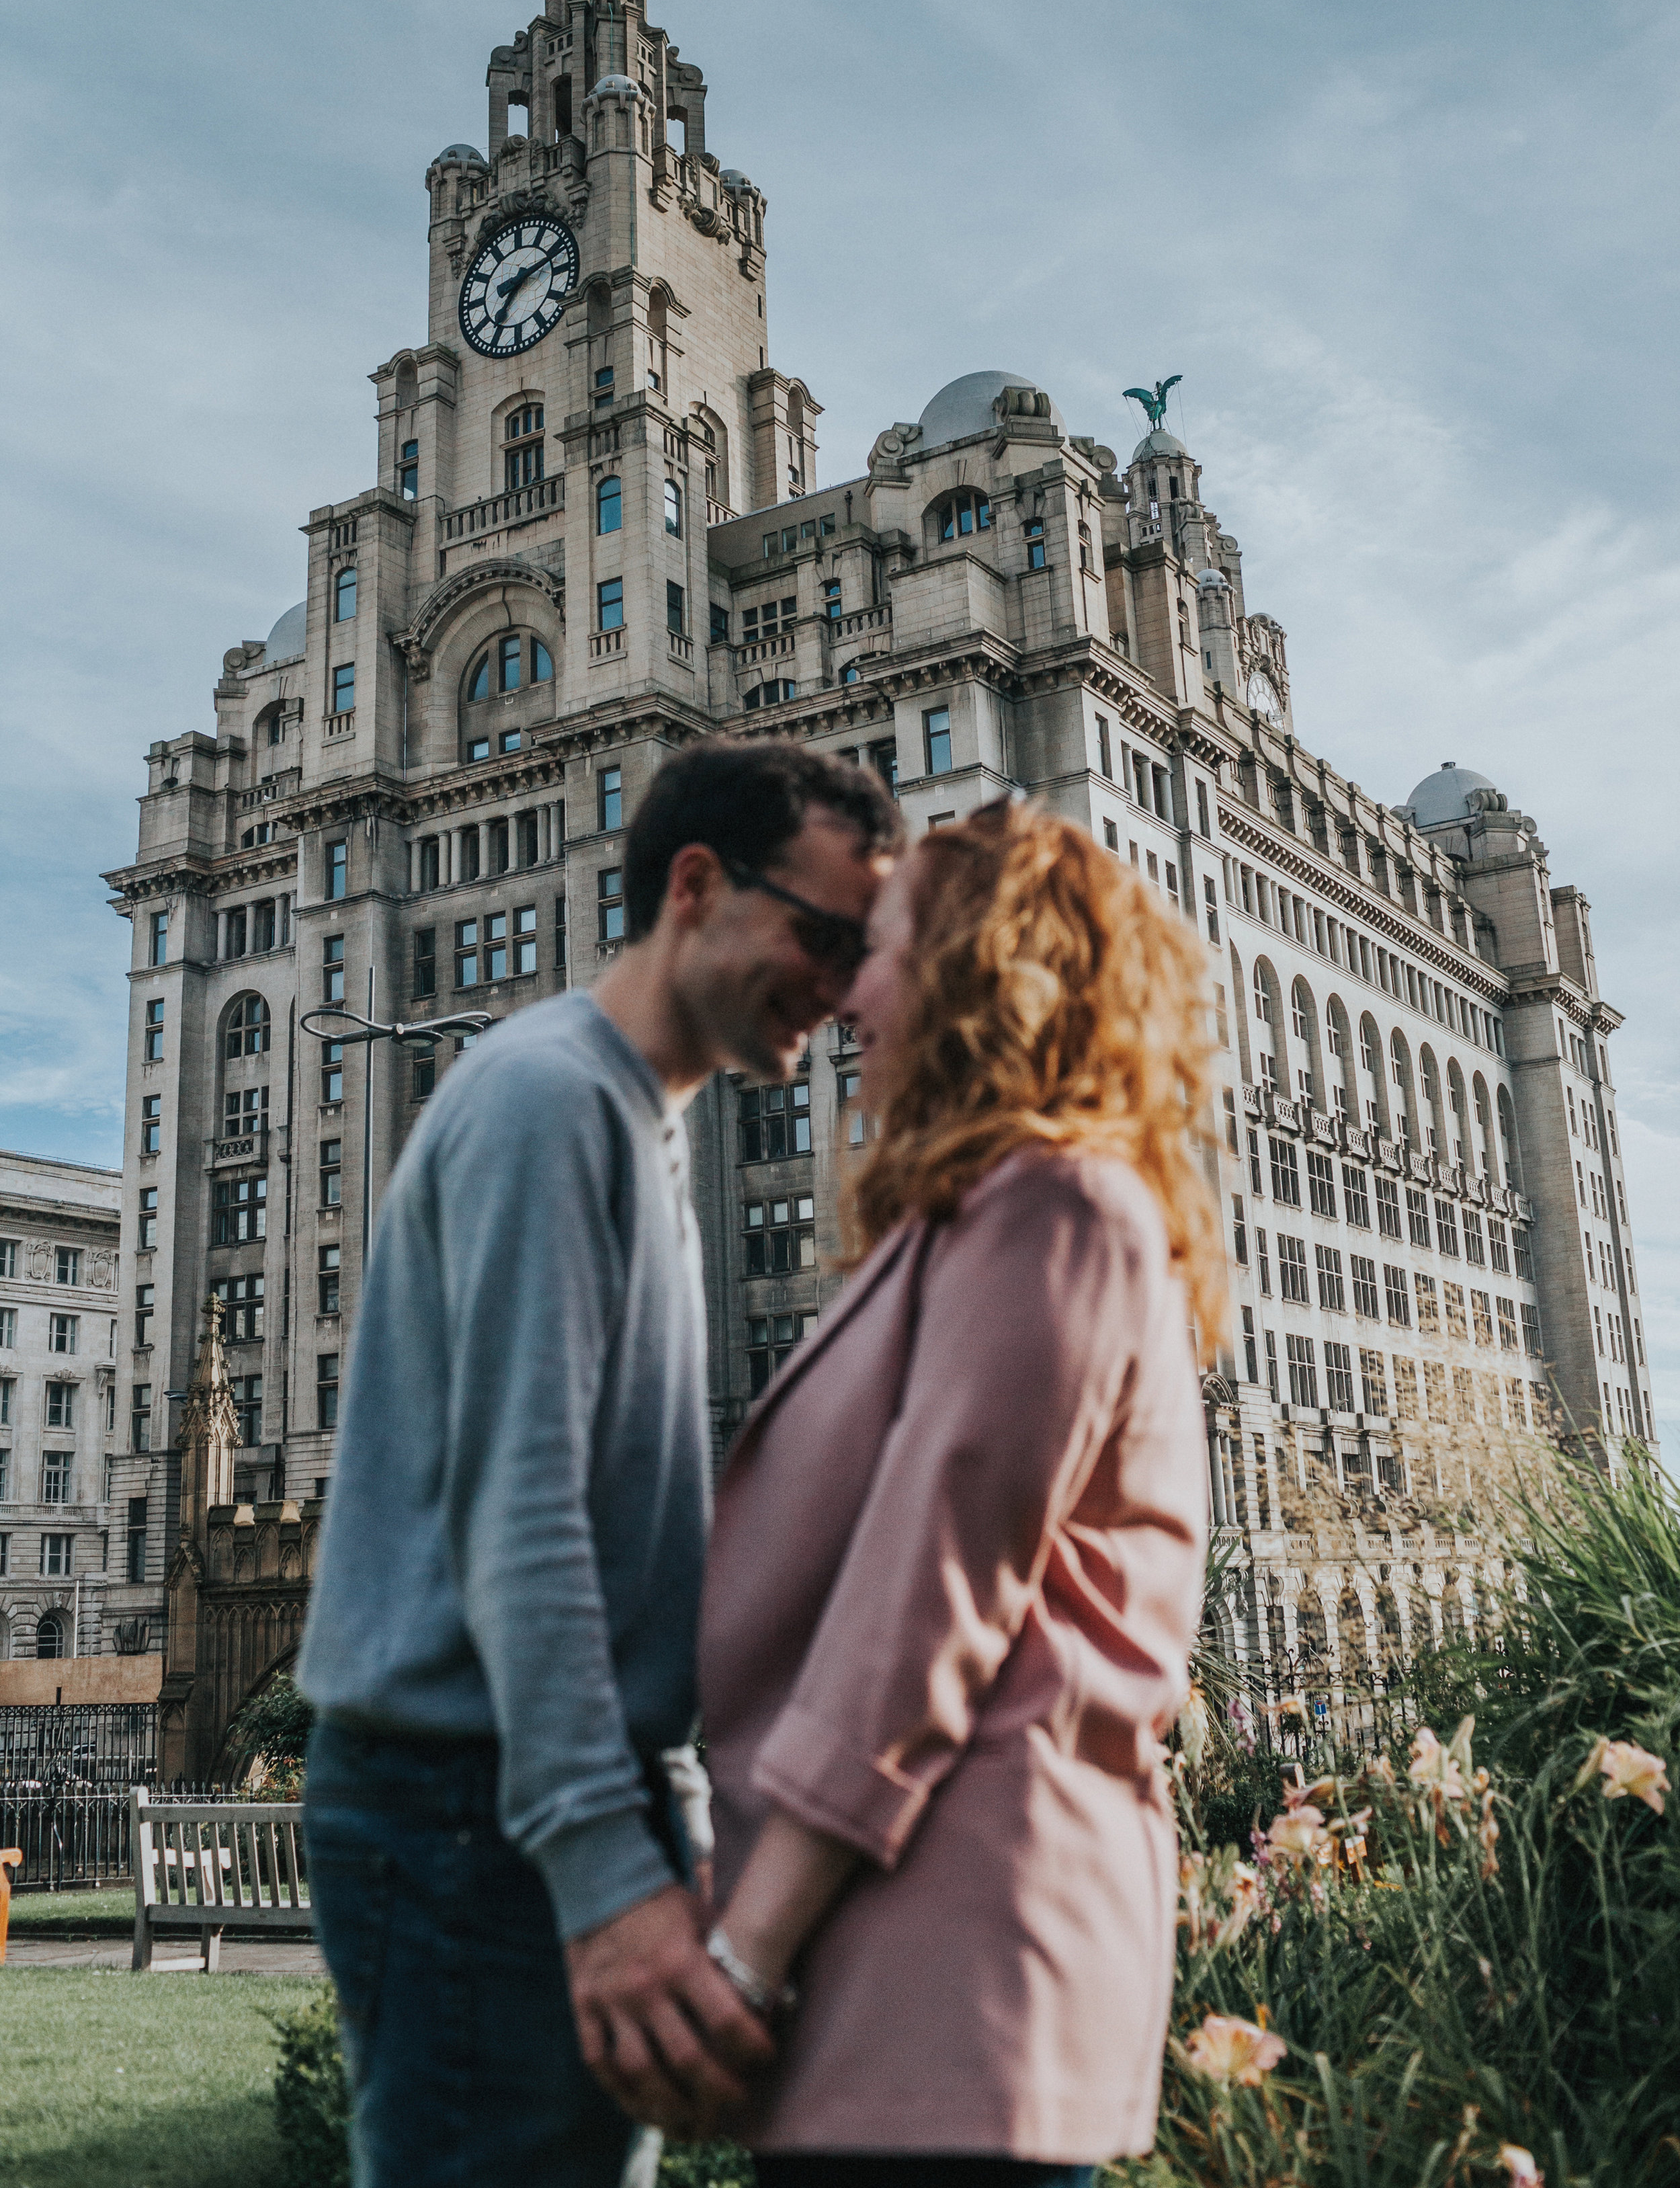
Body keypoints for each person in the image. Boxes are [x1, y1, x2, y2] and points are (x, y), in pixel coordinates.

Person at [298, 737, 900, 2188]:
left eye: (866, 953)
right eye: (822, 935)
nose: (848, 987)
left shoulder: (634, 1116)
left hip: (515, 1797)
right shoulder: (550, 1099)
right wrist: (606, 1875)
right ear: (693, 887)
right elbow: (527, 1522)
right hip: (469, 1808)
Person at [694, 798, 1222, 2188]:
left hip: (956, 1974)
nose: (847, 989)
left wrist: (743, 1953)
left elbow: (921, 1608)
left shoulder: (1059, 1208)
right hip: (891, 1980)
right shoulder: (971, 1221)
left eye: (881, 949)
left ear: (986, 970)